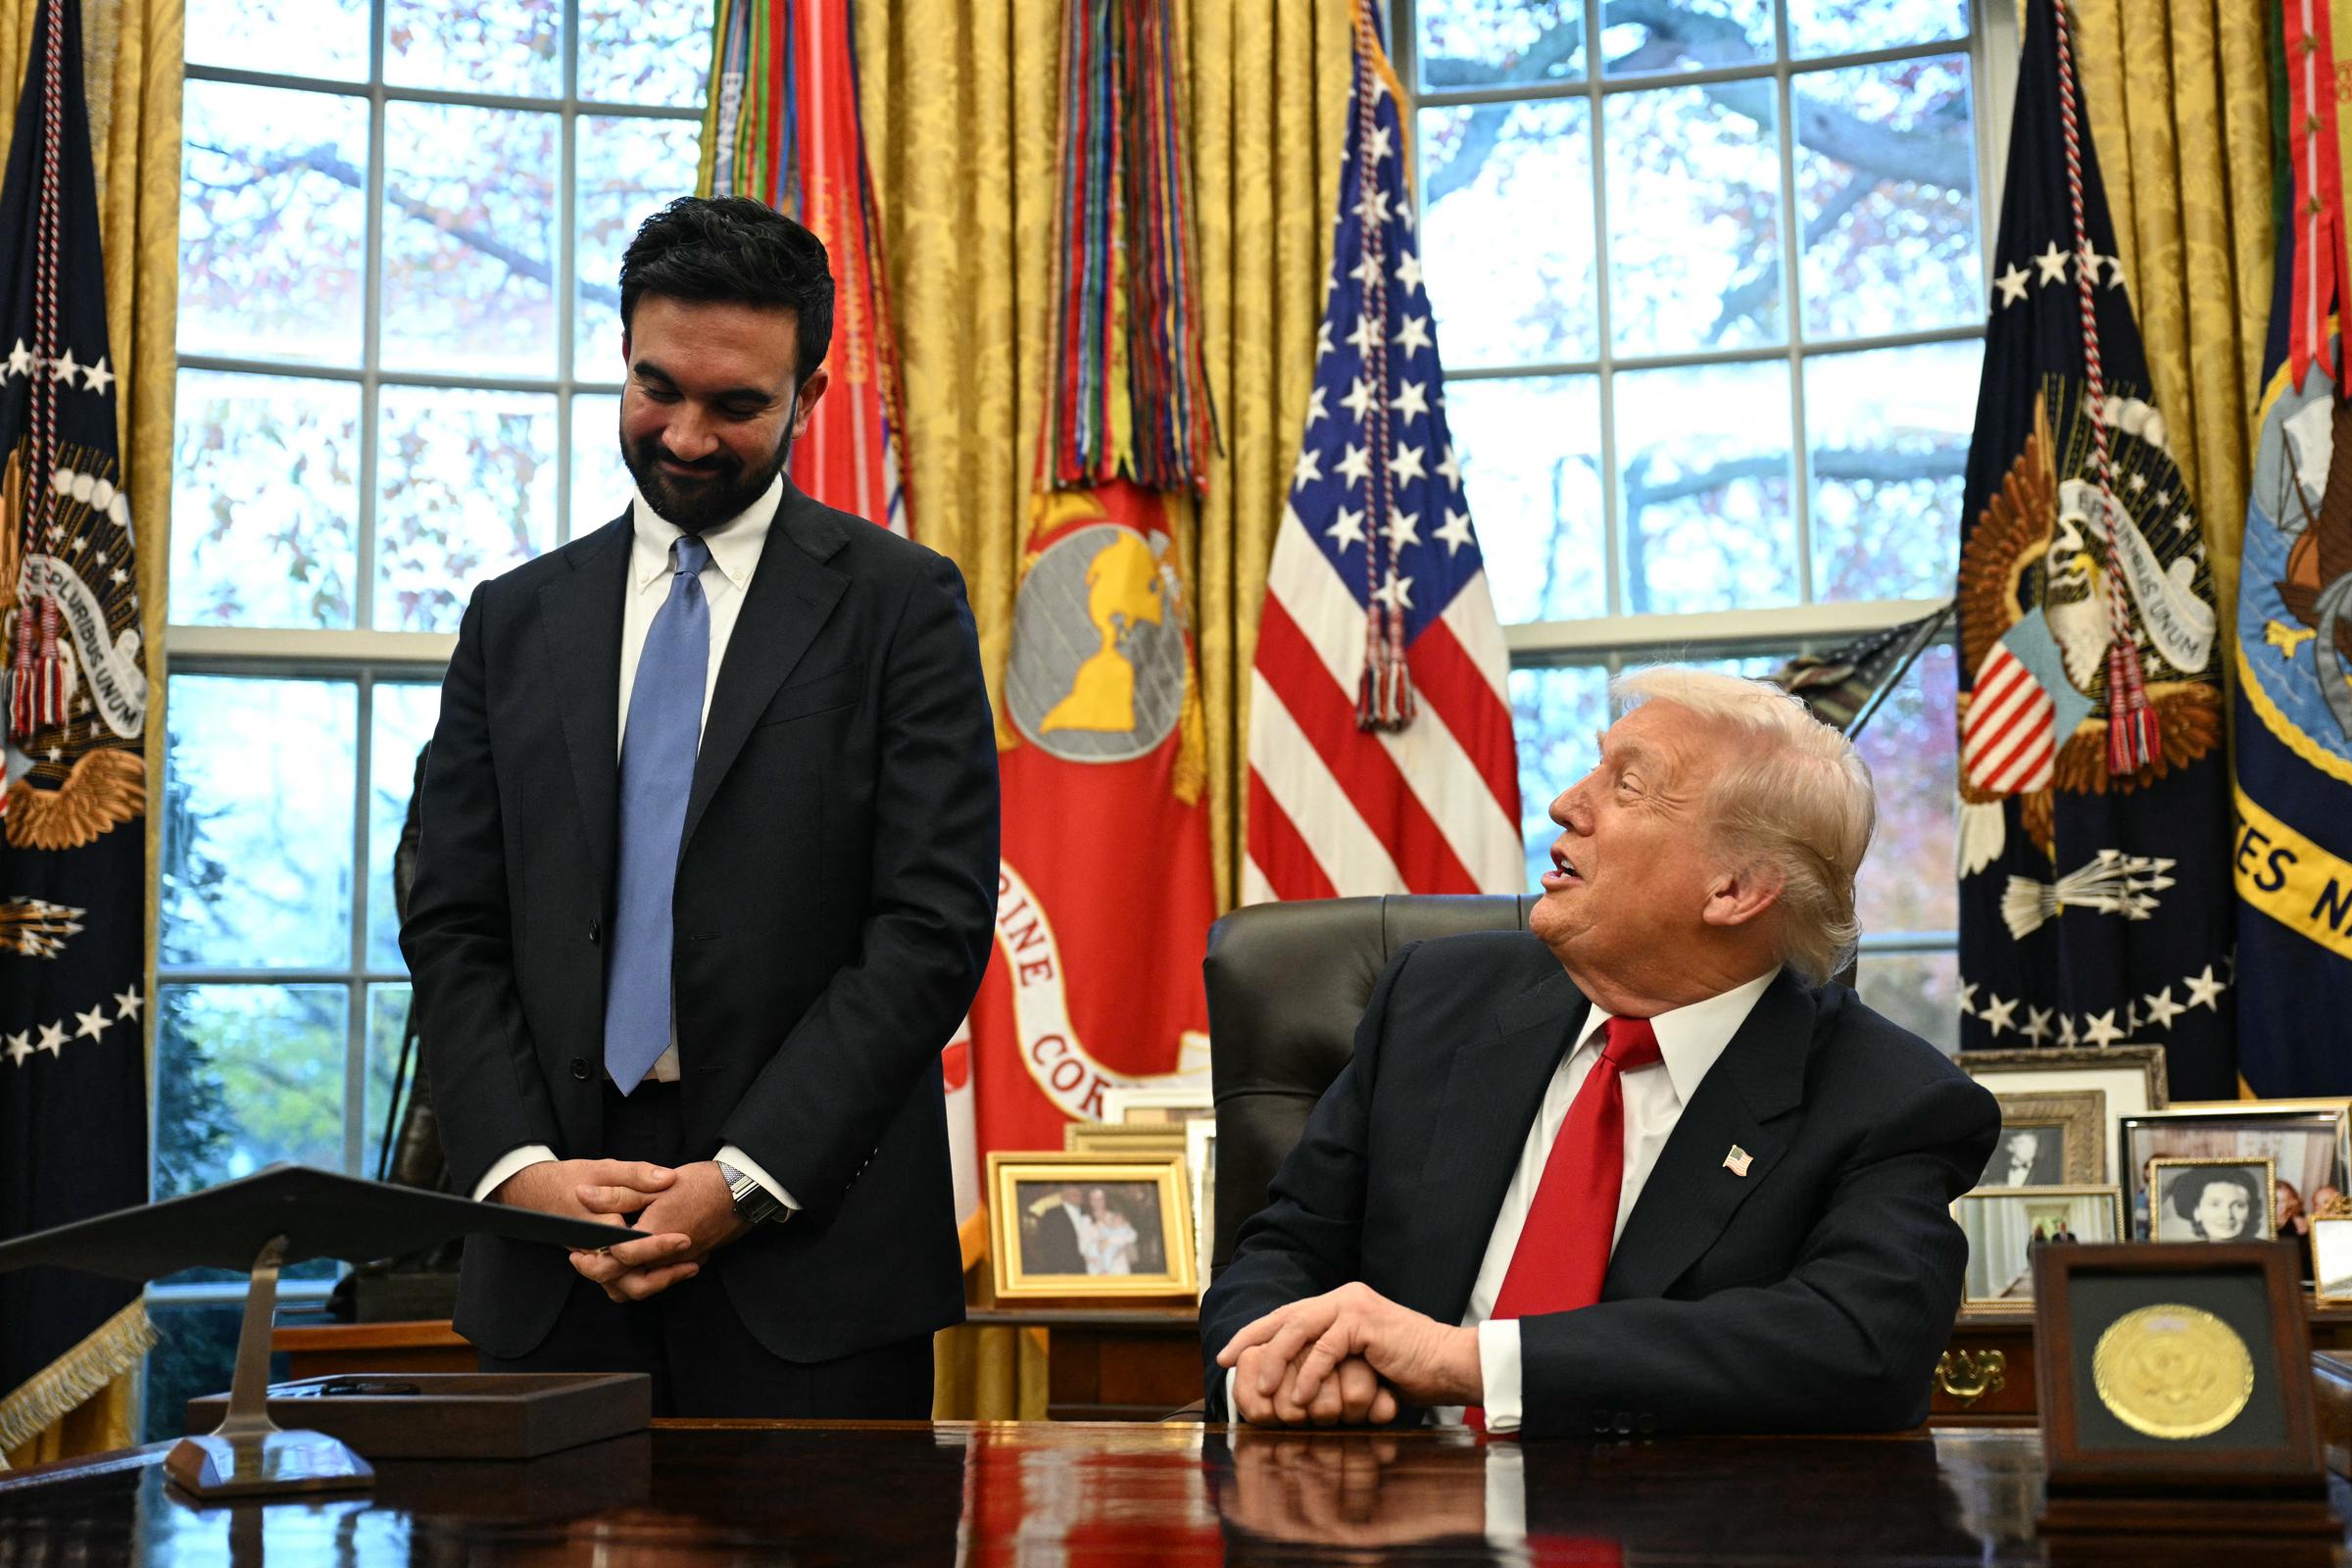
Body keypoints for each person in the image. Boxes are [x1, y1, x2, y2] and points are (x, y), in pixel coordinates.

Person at [402, 195, 1000, 1418]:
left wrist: (746, 1177)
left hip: (812, 1270)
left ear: (809, 397)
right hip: (548, 1260)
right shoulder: (513, 621)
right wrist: (516, 1169)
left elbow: (929, 928)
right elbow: (452, 920)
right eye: (655, 388)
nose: (683, 435)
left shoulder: (902, 607)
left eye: (736, 405)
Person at [1200, 667, 1999, 1435]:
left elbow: (1859, 1346)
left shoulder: (1889, 1100)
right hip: (1382, 1513)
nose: (1563, 805)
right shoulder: (1434, 1002)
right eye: (1595, 768)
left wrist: (1467, 1362)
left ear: (1734, 891)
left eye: (1627, 786)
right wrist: (1265, 1370)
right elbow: (1285, 1249)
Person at [2170, 1166, 2263, 1242]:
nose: (2227, 1215)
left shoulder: (2268, 1252)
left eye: (2239, 1205)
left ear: (2250, 1211)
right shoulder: (2184, 1256)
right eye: (2215, 1204)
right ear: (2196, 1211)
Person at [1028, 1186, 1091, 1275]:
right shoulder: (1052, 1214)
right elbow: (1047, 1244)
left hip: (1089, 1269)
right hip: (1064, 1270)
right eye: (1074, 1191)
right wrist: (1058, 1269)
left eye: (1080, 1191)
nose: (1079, 1193)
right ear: (1063, 1194)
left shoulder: (1088, 1212)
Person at [1083, 1187, 1141, 1275]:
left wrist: (1110, 1241)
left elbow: (1133, 1236)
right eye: (1093, 1199)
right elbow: (1082, 1247)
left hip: (1119, 1267)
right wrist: (1099, 1247)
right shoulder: (1085, 1220)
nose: (1097, 1202)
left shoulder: (1116, 1216)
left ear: (1106, 1199)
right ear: (1089, 1201)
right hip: (1097, 1268)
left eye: (1100, 1199)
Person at [1984, 1128, 2060, 1188]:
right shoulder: (1994, 1170)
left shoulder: (2047, 1172)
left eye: (2032, 1141)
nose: (2029, 1147)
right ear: (2010, 1147)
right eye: (2021, 1142)